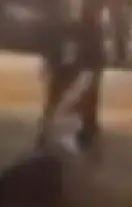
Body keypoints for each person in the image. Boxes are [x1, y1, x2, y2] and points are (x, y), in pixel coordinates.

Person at [39, 0, 108, 161]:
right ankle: (51, 139)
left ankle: (84, 137)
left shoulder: (90, 25)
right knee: (58, 103)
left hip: (80, 69)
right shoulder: (61, 23)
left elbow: (94, 63)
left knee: (81, 103)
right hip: (66, 69)